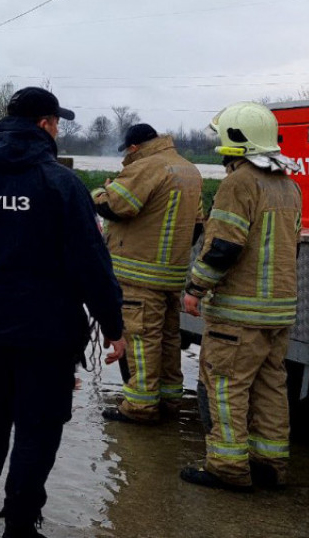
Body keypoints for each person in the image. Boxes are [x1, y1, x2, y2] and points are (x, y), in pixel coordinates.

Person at [0, 87, 126, 538]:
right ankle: (20, 523)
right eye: (57, 123)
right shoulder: (61, 184)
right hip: (49, 329)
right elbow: (91, 264)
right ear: (45, 124)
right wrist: (114, 325)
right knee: (38, 426)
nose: (59, 130)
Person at [181, 102, 302, 492]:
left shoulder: (240, 183)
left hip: (238, 313)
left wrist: (195, 288)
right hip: (278, 313)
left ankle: (228, 467)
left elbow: (223, 247)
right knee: (270, 387)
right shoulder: (289, 183)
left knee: (225, 385)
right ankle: (270, 464)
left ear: (233, 140)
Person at [92, 123, 205, 425]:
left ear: (133, 148)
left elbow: (116, 206)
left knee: (140, 340)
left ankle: (139, 407)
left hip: (137, 276)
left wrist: (100, 191)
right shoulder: (189, 170)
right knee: (168, 340)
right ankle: (169, 400)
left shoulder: (147, 166)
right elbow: (196, 227)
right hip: (172, 276)